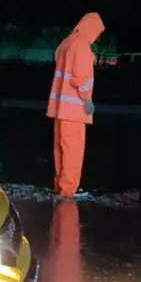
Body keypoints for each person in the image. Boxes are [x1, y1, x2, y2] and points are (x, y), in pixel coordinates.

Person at [45, 12, 104, 197]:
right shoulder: (81, 46)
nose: (97, 36)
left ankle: (60, 186)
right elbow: (80, 78)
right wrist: (87, 100)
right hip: (75, 110)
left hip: (60, 108)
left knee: (60, 149)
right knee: (73, 152)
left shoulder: (66, 43)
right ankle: (68, 191)